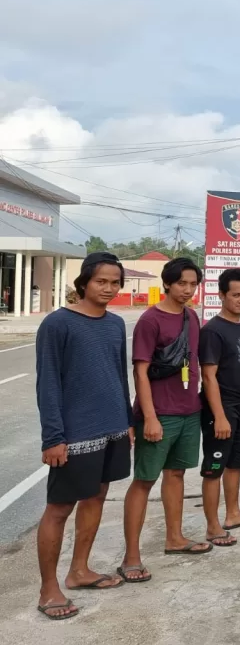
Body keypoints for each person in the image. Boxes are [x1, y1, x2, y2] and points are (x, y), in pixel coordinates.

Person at [34, 252, 133, 620]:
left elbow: (119, 375)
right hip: (74, 435)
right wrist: (52, 437)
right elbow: (48, 383)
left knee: (97, 496)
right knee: (59, 508)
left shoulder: (116, 324)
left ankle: (79, 571)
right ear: (84, 282)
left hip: (113, 429)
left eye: (115, 282)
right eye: (101, 281)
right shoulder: (57, 324)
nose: (108, 288)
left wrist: (128, 420)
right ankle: (48, 589)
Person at [121, 257, 208, 583]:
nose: (187, 290)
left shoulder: (191, 317)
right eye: (181, 283)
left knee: (177, 474)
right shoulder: (150, 320)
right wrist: (149, 417)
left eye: (193, 284)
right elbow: (140, 372)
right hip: (159, 414)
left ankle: (175, 538)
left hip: (189, 411)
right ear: (167, 283)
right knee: (144, 480)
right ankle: (131, 557)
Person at [198, 268, 240, 546]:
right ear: (221, 295)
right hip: (220, 410)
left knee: (235, 463)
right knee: (214, 468)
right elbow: (208, 376)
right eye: (236, 295)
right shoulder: (212, 331)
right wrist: (219, 416)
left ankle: (233, 514)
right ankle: (213, 527)